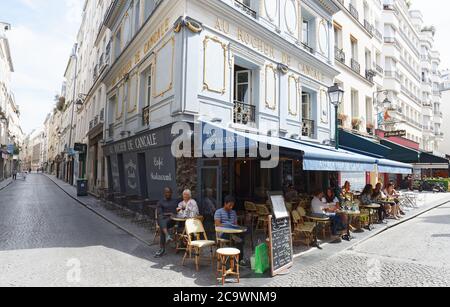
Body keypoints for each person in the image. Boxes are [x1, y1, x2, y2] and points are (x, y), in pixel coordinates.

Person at [214, 196, 248, 266]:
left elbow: (235, 224)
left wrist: (236, 227)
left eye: (232, 205)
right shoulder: (218, 212)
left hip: (233, 232)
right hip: (223, 233)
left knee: (241, 237)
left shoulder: (233, 212)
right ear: (225, 203)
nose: (231, 207)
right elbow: (218, 224)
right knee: (239, 239)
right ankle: (239, 259)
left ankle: (239, 259)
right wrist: (228, 226)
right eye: (229, 205)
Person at [154, 187, 179, 258]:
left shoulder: (175, 201)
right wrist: (169, 213)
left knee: (162, 224)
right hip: (164, 220)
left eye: (169, 192)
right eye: (166, 192)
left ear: (171, 193)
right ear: (164, 193)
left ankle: (162, 248)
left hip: (172, 221)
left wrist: (174, 214)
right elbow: (159, 213)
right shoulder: (160, 202)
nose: (168, 194)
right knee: (161, 219)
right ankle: (167, 236)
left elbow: (178, 209)